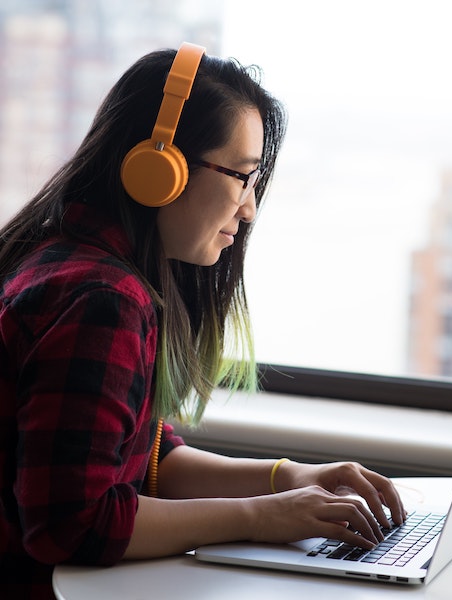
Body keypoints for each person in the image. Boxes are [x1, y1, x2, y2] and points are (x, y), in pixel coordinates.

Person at [0, 42, 405, 599]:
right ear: (157, 168)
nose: (249, 208)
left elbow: (144, 456)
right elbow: (74, 523)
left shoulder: (70, 258)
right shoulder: (100, 298)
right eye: (241, 176)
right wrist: (260, 517)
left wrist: (287, 478)